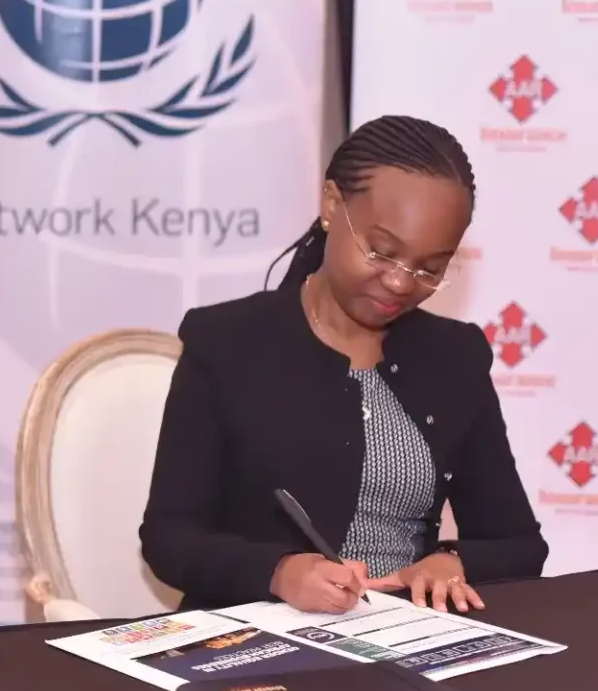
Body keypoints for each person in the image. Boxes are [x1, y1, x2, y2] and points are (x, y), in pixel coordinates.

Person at [139, 115, 547, 616]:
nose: (400, 283)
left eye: (429, 269)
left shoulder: (456, 356)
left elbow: (521, 544)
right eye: (381, 251)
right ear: (333, 204)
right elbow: (169, 539)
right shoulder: (226, 343)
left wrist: (451, 559)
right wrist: (278, 572)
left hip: (406, 637)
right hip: (258, 632)